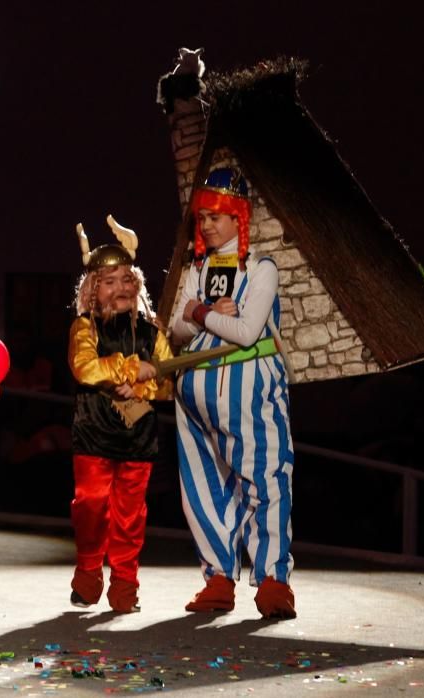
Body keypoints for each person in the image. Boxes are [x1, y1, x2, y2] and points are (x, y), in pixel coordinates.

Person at [169, 166, 296, 619]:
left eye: (215, 216)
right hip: (195, 399)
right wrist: (200, 314)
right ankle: (218, 577)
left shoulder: (260, 268)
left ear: (238, 217)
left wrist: (201, 312)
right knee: (203, 490)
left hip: (250, 395)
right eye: (201, 217)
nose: (205, 225)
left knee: (265, 482)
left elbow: (244, 331)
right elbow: (176, 330)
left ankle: (272, 580)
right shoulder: (195, 267)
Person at [67, 215, 173, 613]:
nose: (121, 288)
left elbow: (166, 381)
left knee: (131, 517)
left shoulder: (151, 330)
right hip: (94, 434)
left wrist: (144, 384)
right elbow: (86, 368)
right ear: (94, 290)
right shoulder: (84, 327)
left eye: (127, 279)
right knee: (91, 507)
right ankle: (89, 572)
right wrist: (129, 369)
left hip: (138, 437)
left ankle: (125, 586)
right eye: (110, 281)